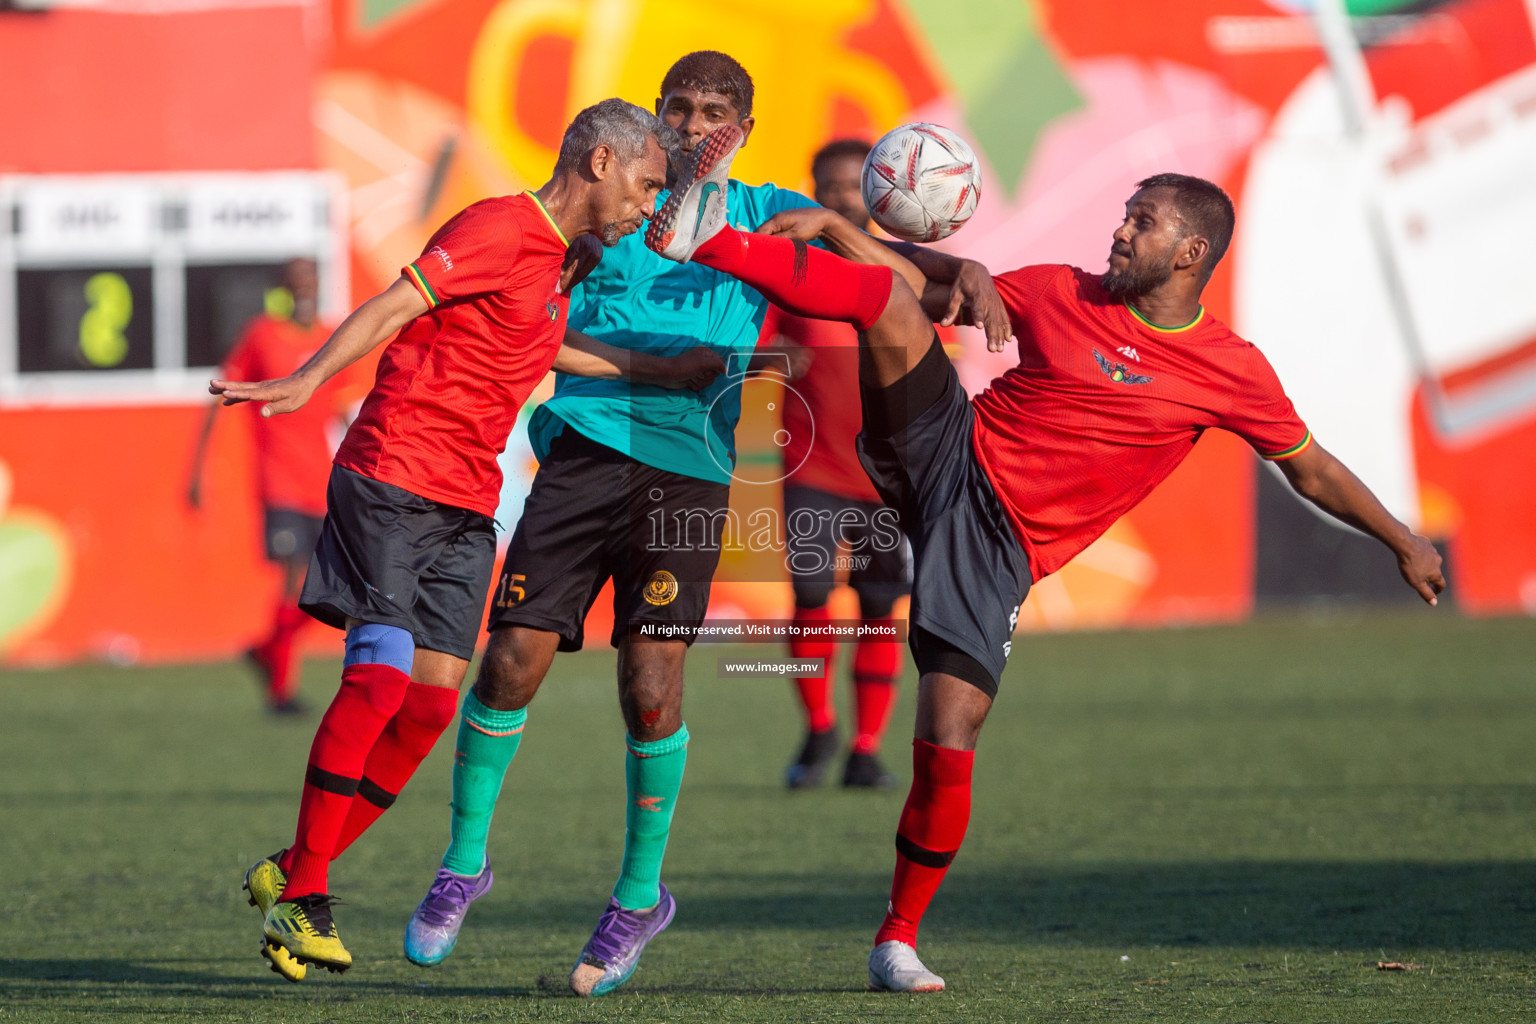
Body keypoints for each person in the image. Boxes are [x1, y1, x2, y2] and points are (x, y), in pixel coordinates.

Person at [645, 135, 1446, 992]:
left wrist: (1402, 539)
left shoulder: (1230, 370)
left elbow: (1310, 465)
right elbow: (924, 288)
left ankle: (896, 938)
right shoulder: (1064, 289)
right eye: (1125, 215)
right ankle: (708, 238)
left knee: (951, 734)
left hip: (1002, 550)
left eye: (1144, 222)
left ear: (1191, 253)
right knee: (884, 303)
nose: (1122, 232)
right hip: (948, 450)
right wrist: (961, 268)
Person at [398, 51, 1004, 998]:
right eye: (677, 108)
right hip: (585, 446)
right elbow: (527, 313)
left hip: (693, 472)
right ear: (654, 118)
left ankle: (638, 896)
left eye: (714, 110)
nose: (691, 125)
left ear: (744, 128)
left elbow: (890, 282)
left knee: (651, 679)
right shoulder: (608, 206)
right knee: (512, 657)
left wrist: (952, 261)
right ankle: (462, 864)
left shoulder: (760, 211)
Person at [210, 98, 722, 984]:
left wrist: (660, 371)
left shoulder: (557, 265)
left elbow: (550, 345)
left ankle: (291, 873)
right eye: (645, 186)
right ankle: (306, 899)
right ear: (600, 162)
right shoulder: (494, 227)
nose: (649, 208)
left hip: (467, 503)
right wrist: (306, 377)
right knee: (375, 683)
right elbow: (390, 304)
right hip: (393, 478)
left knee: (435, 706)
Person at [762, 138, 910, 790]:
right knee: (813, 597)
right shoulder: (791, 273)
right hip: (813, 470)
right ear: (813, 191)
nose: (843, 198)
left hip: (890, 477)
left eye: (856, 186)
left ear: (880, 192)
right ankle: (820, 730)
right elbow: (755, 350)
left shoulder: (906, 272)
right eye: (831, 187)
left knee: (882, 607)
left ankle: (868, 747)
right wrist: (772, 366)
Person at [188, 258, 361, 714]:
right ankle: (280, 690)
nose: (305, 287)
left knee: (330, 587)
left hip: (319, 480)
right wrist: (197, 472)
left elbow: (344, 409)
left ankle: (266, 650)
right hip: (279, 480)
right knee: (293, 581)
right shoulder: (263, 335)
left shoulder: (330, 337)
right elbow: (221, 394)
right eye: (297, 280)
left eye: (311, 278)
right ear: (285, 287)